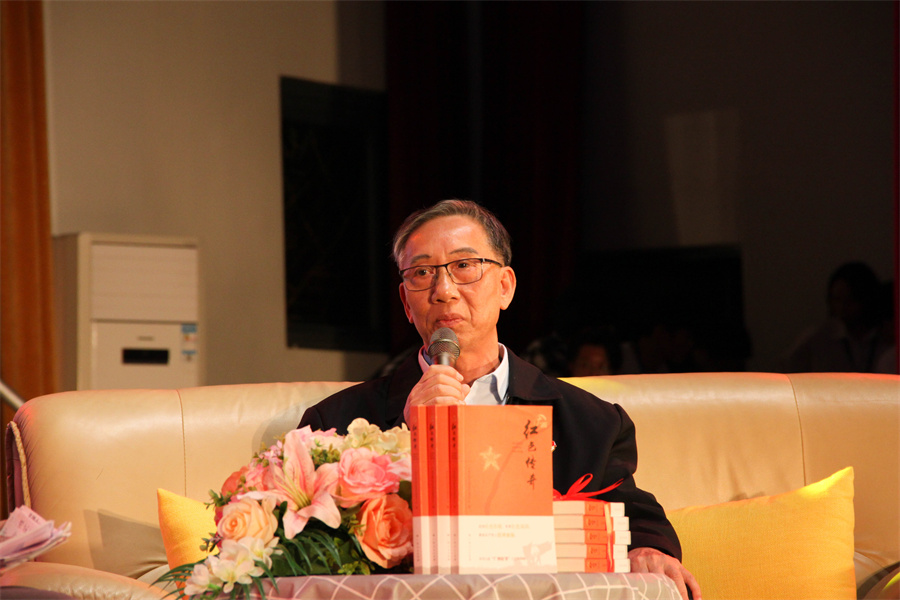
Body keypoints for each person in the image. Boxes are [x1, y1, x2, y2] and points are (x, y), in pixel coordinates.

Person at [299, 199, 701, 600]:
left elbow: (632, 517)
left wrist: (648, 550)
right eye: (422, 273)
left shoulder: (590, 422)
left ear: (505, 287)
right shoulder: (334, 422)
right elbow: (310, 550)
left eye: (464, 266)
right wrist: (407, 441)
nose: (444, 290)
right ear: (406, 302)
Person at [783, 261, 895, 373]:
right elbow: (785, 369)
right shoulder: (817, 339)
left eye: (850, 300)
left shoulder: (887, 336)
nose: (842, 307)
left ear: (867, 300)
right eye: (837, 300)